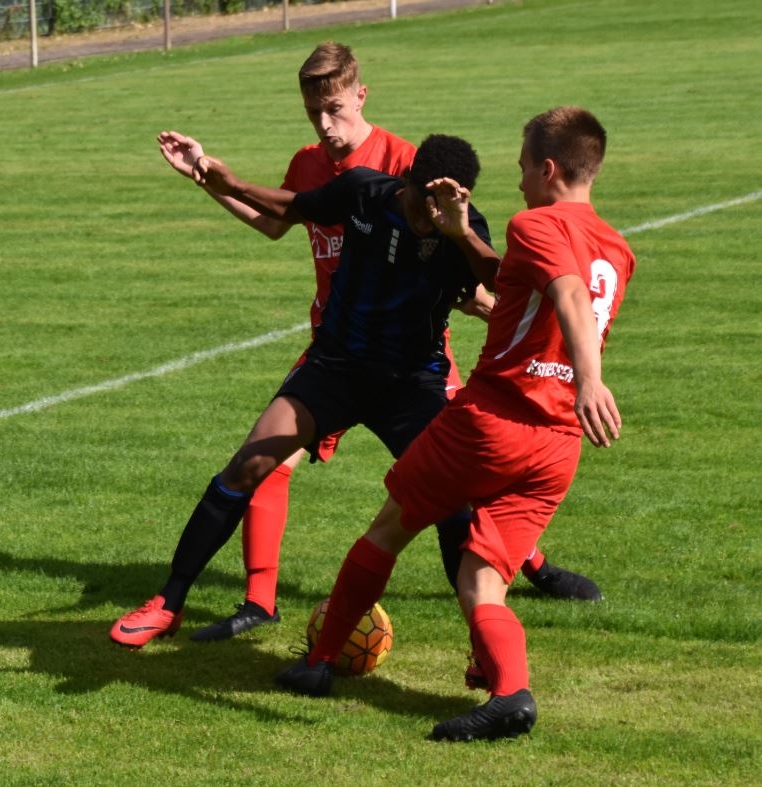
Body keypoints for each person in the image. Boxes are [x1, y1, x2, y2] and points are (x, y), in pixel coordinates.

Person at [142, 43, 599, 647]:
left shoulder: (440, 195)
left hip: (413, 371)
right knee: (259, 461)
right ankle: (215, 601)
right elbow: (283, 214)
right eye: (315, 114)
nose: (325, 126)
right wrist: (215, 178)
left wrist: (467, 252)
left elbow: (492, 283)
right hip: (336, 356)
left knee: (457, 499)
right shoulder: (344, 182)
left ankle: (507, 608)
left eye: (334, 109)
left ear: (360, 97)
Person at [274, 106, 637, 742]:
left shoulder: (538, 222)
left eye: (524, 165)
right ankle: (510, 695)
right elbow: (522, 284)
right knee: (481, 574)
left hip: (493, 420)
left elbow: (570, 297)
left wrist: (591, 377)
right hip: (558, 447)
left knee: (390, 526)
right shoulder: (617, 248)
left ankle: (320, 662)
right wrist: (462, 233)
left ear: (548, 168)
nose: (519, 179)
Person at [110, 133, 500, 649]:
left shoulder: (465, 229)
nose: (432, 216)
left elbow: (506, 284)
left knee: (453, 508)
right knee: (246, 466)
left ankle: (481, 646)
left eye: (448, 203)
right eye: (426, 202)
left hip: (409, 385)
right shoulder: (364, 192)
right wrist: (231, 183)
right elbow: (292, 208)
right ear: (407, 181)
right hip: (334, 367)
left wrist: (461, 234)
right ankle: (168, 603)